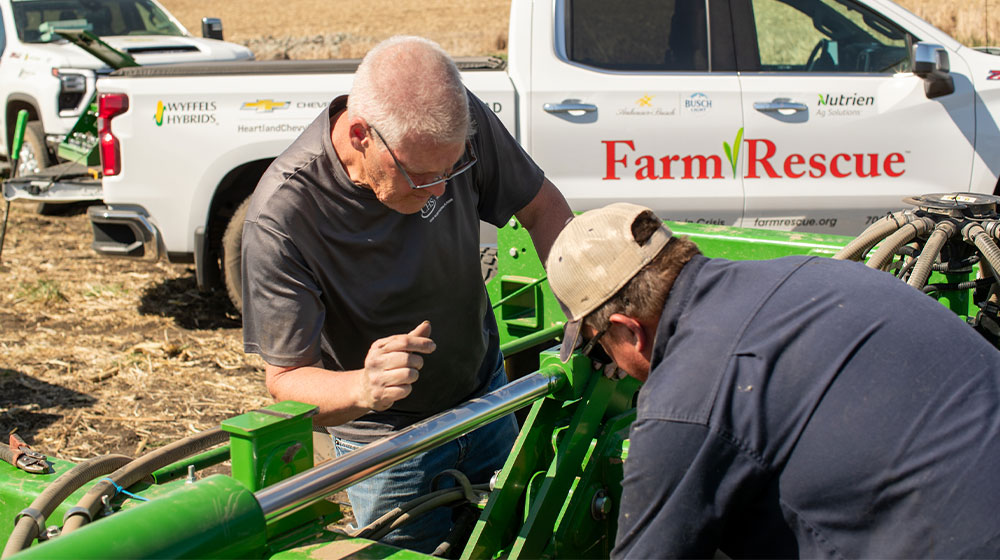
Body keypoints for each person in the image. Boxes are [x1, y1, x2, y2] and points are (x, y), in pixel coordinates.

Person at [241, 35, 573, 553]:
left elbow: (544, 209)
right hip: (388, 445)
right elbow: (285, 380)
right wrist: (362, 387)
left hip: (486, 398)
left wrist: (583, 303)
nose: (441, 189)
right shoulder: (284, 217)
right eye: (422, 175)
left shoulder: (451, 130)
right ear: (359, 136)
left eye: (454, 169)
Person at [545, 202, 1000, 559]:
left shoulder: (683, 404)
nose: (610, 360)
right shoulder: (821, 273)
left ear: (628, 330)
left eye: (598, 343)